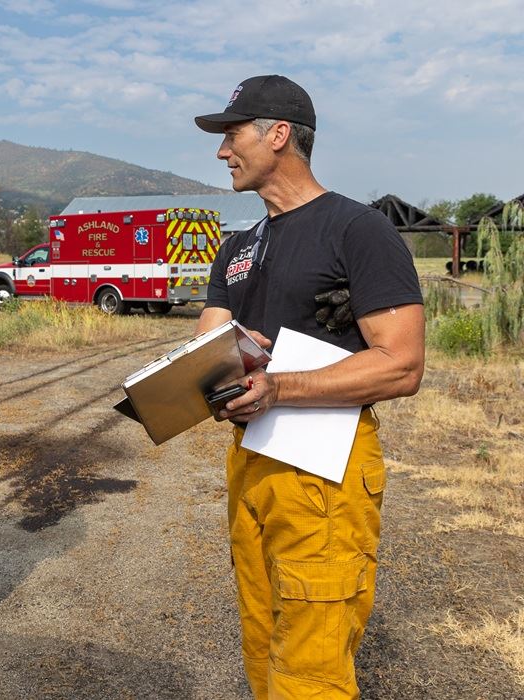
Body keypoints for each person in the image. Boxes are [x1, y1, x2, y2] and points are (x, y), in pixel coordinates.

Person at [192, 76, 425, 698]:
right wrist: (211, 371)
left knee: (312, 662)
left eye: (231, 134)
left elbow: (402, 365)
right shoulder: (238, 247)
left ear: (278, 134)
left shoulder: (357, 230)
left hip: (325, 469)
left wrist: (279, 386)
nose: (221, 152)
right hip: (251, 460)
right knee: (263, 635)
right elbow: (204, 348)